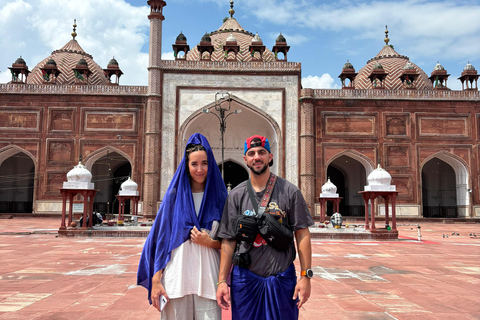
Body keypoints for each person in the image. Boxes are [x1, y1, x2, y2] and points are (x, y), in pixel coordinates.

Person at [216, 135, 314, 320]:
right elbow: (228, 239)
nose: (257, 157)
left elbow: (302, 234)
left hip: (281, 279)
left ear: (270, 156)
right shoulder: (236, 195)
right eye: (251, 153)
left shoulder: (289, 192)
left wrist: (306, 276)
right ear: (245, 159)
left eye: (261, 152)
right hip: (245, 281)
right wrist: (222, 280)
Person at [137, 133, 228, 320]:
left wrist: (210, 243)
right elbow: (161, 240)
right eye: (194, 164)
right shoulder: (174, 197)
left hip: (209, 281)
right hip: (176, 281)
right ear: (187, 166)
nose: (200, 169)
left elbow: (231, 242)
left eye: (204, 163)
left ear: (211, 165)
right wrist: (156, 280)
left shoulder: (221, 199)